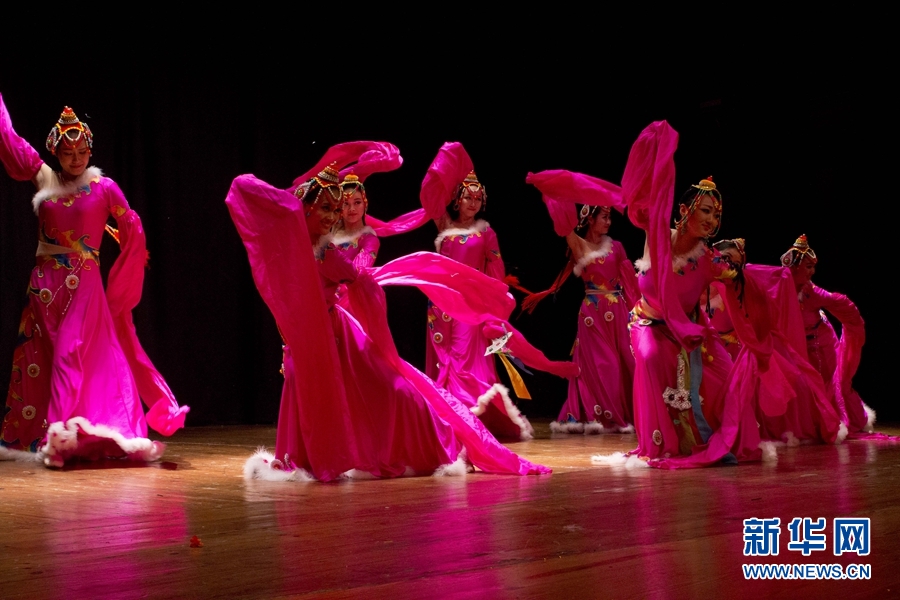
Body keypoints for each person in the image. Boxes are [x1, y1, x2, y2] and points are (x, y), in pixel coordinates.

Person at [226, 144, 551, 482]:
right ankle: (305, 458)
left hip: (336, 332)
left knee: (390, 389)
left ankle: (435, 442)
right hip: (305, 335)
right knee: (308, 389)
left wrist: (360, 288)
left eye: (337, 208)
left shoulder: (329, 251)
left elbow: (357, 275)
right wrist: (291, 202)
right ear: (305, 207)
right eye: (327, 207)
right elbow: (242, 188)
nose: (334, 215)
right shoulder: (294, 245)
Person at [0, 95, 188, 467]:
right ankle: (61, 434)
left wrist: (130, 263)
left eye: (82, 151)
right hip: (44, 285)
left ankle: (57, 439)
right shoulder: (45, 178)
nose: (76, 158)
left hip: (83, 284)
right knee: (43, 359)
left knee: (69, 353)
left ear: (90, 151)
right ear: (56, 153)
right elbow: (11, 142)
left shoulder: (104, 186)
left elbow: (130, 224)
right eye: (68, 152)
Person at [421, 144, 577, 440]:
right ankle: (448, 420)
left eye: (478, 198)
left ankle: (471, 416)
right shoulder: (443, 224)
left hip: (470, 306)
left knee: (465, 359)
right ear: (457, 199)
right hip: (442, 305)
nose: (473, 202)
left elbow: (495, 274)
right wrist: (449, 159)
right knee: (444, 358)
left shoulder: (486, 233)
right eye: (468, 197)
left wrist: (492, 309)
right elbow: (429, 194)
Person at [522, 169, 639, 434]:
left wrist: (637, 312)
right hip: (592, 314)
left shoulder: (617, 246)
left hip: (618, 312)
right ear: (591, 219)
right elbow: (563, 223)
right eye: (604, 216)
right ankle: (602, 416)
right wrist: (551, 189)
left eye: (610, 217)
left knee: (625, 363)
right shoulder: (579, 246)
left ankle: (625, 413)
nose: (609, 221)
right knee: (603, 366)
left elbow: (630, 283)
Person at [782, 234, 879, 439]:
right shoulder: (780, 289)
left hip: (822, 343)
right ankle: (813, 425)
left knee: (831, 384)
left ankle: (840, 422)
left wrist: (854, 323)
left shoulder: (812, 291)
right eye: (808, 267)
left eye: (813, 267)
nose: (812, 272)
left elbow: (839, 303)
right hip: (798, 346)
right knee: (803, 387)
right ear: (796, 267)